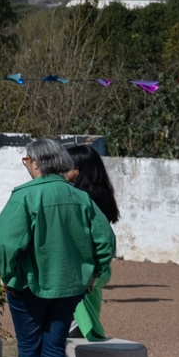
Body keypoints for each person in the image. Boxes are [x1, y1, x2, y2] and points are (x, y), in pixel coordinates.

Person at [0, 135, 117, 357]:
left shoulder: (24, 196)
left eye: (26, 160)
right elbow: (105, 240)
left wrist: (6, 275)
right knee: (54, 346)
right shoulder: (80, 197)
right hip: (71, 286)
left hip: (28, 285)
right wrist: (95, 273)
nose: (26, 165)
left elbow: (5, 244)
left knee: (29, 346)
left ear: (35, 162)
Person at [64, 144, 122, 340]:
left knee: (78, 318)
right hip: (94, 266)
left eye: (66, 166)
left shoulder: (83, 198)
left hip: (84, 267)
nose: (62, 171)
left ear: (78, 169)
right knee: (85, 312)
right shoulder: (99, 193)